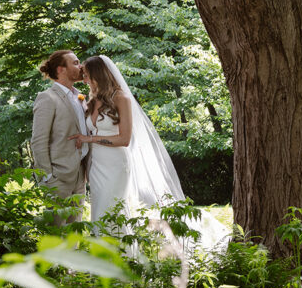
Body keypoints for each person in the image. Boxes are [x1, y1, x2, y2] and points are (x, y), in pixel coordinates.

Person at [70, 55, 229, 253]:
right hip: (97, 165)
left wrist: (90, 139)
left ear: (99, 75)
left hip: (116, 164)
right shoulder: (92, 101)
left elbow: (124, 139)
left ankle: (124, 259)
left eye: (87, 76)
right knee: (98, 211)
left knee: (113, 210)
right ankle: (101, 258)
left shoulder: (121, 98)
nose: (84, 80)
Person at [30, 49, 89, 224]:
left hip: (80, 175)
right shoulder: (47, 98)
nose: (81, 66)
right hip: (58, 177)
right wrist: (47, 176)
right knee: (55, 234)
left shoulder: (80, 96)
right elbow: (38, 141)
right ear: (61, 69)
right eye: (76, 63)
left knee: (74, 233)